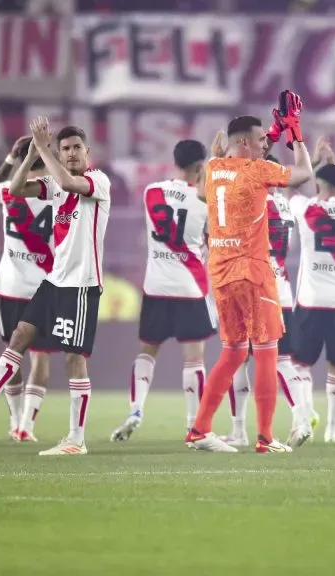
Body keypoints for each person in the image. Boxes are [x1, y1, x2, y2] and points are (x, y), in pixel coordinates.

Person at [0, 119, 110, 456]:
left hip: (81, 285)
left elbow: (67, 182)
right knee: (19, 337)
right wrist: (27, 158)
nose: (70, 153)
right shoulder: (54, 185)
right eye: (64, 148)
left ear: (87, 152)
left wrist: (43, 150)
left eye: (75, 148)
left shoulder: (97, 181)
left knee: (73, 360)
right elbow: (17, 189)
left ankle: (76, 439)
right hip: (52, 281)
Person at [185, 90, 314, 453]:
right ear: (244, 142)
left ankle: (199, 429)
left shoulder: (212, 170)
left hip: (222, 274)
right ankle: (265, 438)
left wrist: (273, 131)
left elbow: (246, 154)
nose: (265, 146)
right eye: (260, 142)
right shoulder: (256, 170)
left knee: (233, 352)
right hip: (255, 272)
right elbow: (303, 173)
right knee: (268, 352)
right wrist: (295, 133)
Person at [110, 140, 215, 441]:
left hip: (155, 286)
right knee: (194, 358)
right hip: (189, 286)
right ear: (199, 165)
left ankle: (136, 409)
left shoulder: (151, 192)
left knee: (147, 352)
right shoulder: (204, 202)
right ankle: (194, 425)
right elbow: (210, 240)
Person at [0, 137, 55, 442]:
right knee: (40, 358)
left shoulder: (9, 192)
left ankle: (16, 421)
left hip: (9, 287)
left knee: (11, 353)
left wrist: (12, 157)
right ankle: (26, 423)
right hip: (44, 287)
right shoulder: (59, 193)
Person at [288, 161, 335, 443]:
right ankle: (333, 430)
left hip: (311, 300)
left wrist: (315, 162)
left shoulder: (306, 208)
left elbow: (289, 186)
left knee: (300, 365)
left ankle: (305, 418)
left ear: (317, 184)